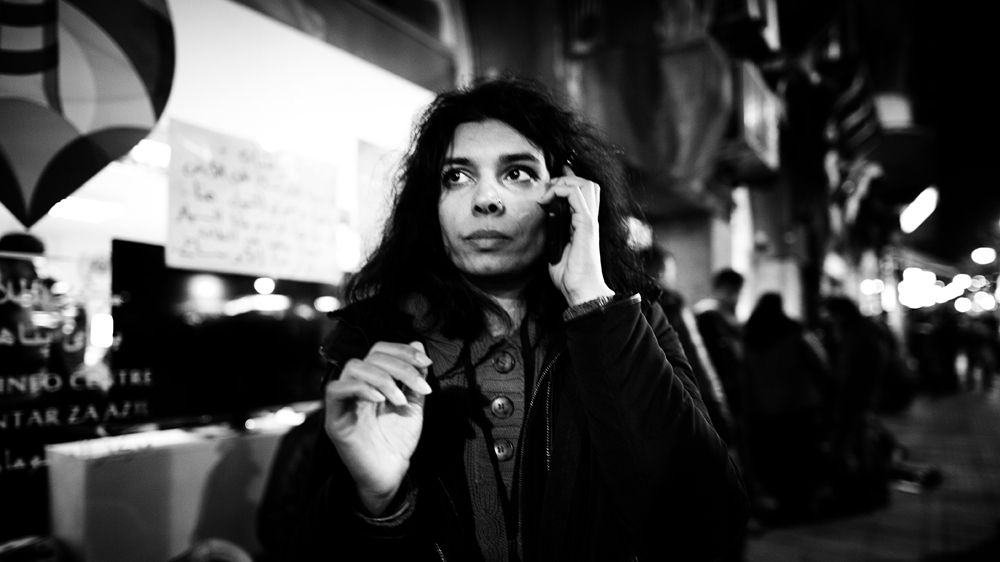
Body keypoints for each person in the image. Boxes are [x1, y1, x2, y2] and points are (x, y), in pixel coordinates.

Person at [289, 76, 748, 561]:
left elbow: (709, 522)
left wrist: (592, 301)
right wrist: (376, 503)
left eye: (517, 173)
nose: (486, 199)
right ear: (430, 205)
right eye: (456, 176)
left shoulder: (629, 323)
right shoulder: (372, 342)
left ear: (566, 195)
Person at [742, 292, 834, 522]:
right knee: (801, 459)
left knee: (776, 461)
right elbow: (819, 364)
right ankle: (803, 504)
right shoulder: (794, 332)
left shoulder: (749, 336)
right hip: (799, 407)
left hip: (764, 412)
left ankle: (782, 505)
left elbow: (745, 375)